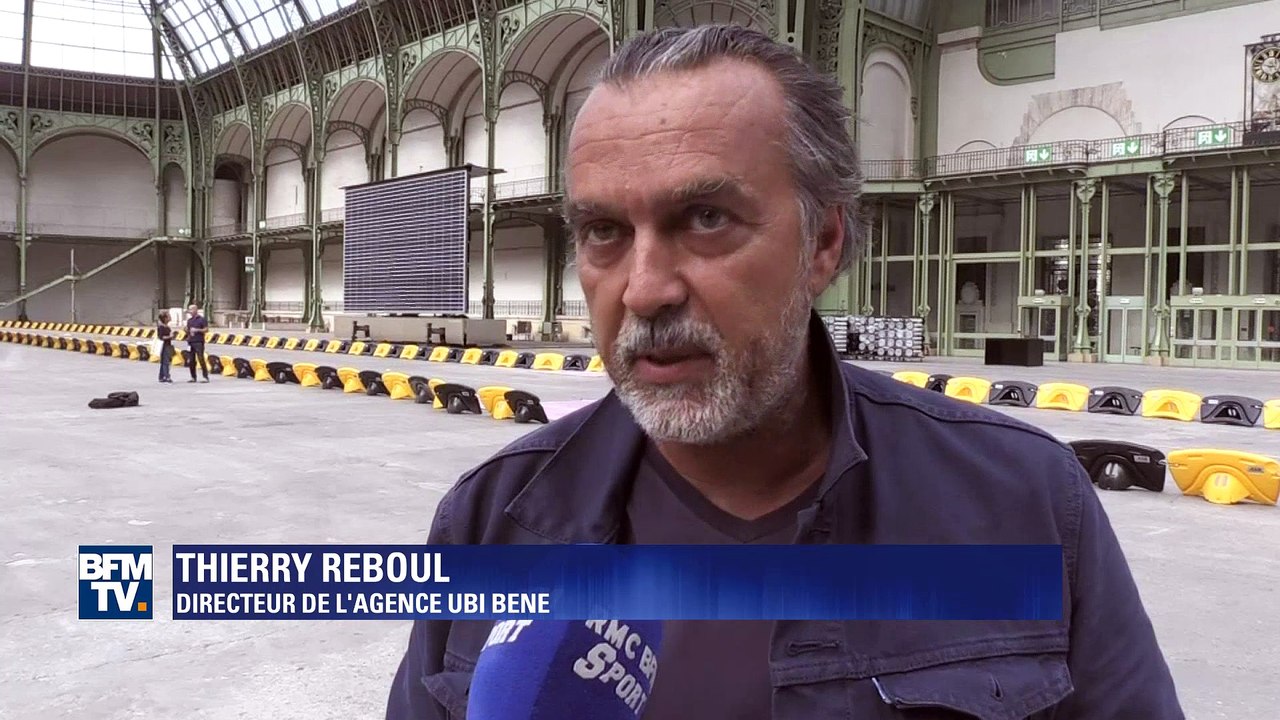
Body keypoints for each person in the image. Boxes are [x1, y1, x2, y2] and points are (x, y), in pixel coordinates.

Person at [385, 25, 1184, 719]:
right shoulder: (491, 522)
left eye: (705, 219)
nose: (645, 289)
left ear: (823, 243)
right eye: (603, 231)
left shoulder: (1024, 503)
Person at [184, 304, 210, 383]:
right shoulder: (189, 320)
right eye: (189, 310)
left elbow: (206, 329)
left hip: (198, 341)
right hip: (191, 341)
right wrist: (186, 330)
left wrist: (197, 330)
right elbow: (188, 330)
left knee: (201, 358)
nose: (190, 311)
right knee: (191, 360)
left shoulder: (202, 319)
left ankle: (205, 376)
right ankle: (193, 377)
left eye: (191, 310)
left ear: (195, 310)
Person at [156, 310, 174, 383]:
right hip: (164, 345)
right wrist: (170, 336)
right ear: (165, 318)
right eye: (168, 316)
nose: (170, 317)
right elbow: (161, 337)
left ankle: (161, 376)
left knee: (164, 361)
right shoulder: (161, 327)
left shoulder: (167, 327)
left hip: (168, 345)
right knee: (166, 361)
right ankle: (167, 376)